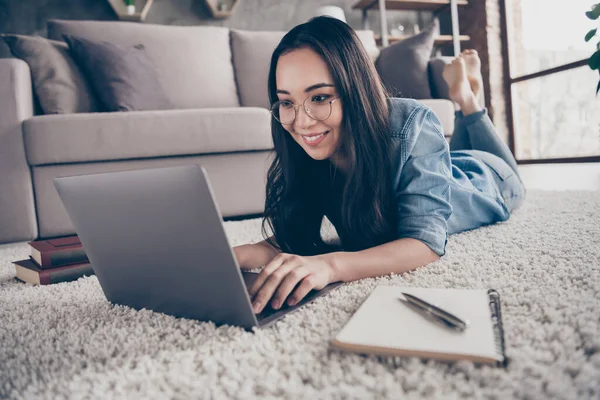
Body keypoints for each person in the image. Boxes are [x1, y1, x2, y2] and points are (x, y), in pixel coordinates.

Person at [232, 16, 526, 315]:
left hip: (487, 180)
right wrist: (229, 257)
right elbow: (291, 237)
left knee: (510, 174)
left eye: (319, 97)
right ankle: (466, 98)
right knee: (448, 159)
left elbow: (424, 243)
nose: (302, 121)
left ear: (355, 89)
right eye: (286, 102)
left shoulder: (413, 123)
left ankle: (467, 100)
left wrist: (330, 266)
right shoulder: (313, 148)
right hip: (441, 165)